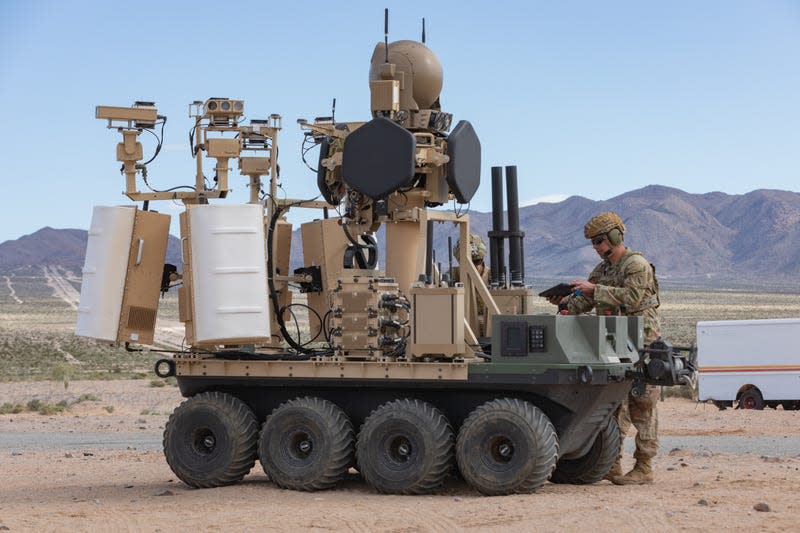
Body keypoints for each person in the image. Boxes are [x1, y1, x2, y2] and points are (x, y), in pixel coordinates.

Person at [549, 211, 661, 485]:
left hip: (641, 343)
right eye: (593, 243)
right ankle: (612, 463)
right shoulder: (603, 271)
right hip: (613, 343)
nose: (596, 247)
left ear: (614, 237)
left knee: (642, 405)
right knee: (614, 407)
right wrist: (564, 305)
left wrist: (593, 290)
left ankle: (644, 467)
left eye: (599, 241)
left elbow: (633, 298)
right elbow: (585, 302)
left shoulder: (636, 265)